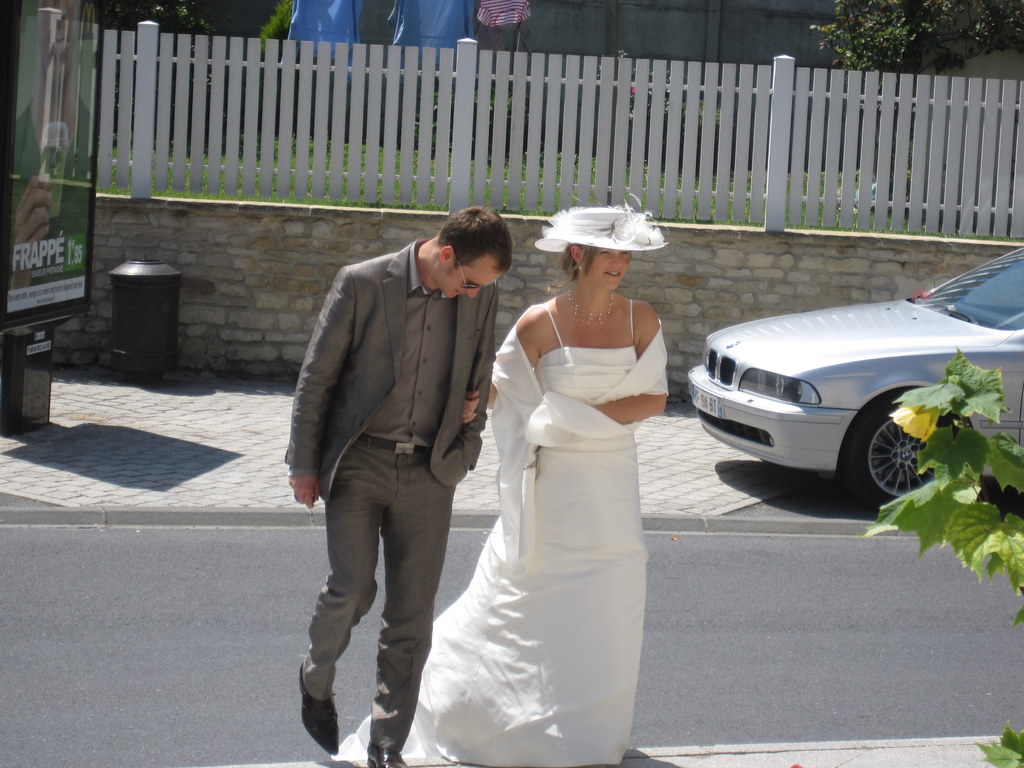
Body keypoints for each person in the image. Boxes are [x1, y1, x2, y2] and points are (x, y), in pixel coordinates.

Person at [335, 203, 669, 766]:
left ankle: (587, 732)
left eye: (626, 254)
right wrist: (456, 403)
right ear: (578, 255)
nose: (620, 263)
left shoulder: (643, 319)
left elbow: (654, 398)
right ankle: (475, 715)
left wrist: (569, 417)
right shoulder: (539, 322)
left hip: (611, 483)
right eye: (610, 252)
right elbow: (494, 388)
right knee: (525, 593)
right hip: (553, 485)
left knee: (609, 596)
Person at [286, 206, 513, 768]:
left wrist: (466, 444)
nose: (472, 294)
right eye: (469, 282)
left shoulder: (479, 295)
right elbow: (317, 377)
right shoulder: (362, 283)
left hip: (431, 472)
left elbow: (480, 370)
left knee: (410, 616)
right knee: (351, 588)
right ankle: (315, 678)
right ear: (446, 255)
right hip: (359, 462)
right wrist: (304, 463)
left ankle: (387, 746)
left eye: (481, 288)